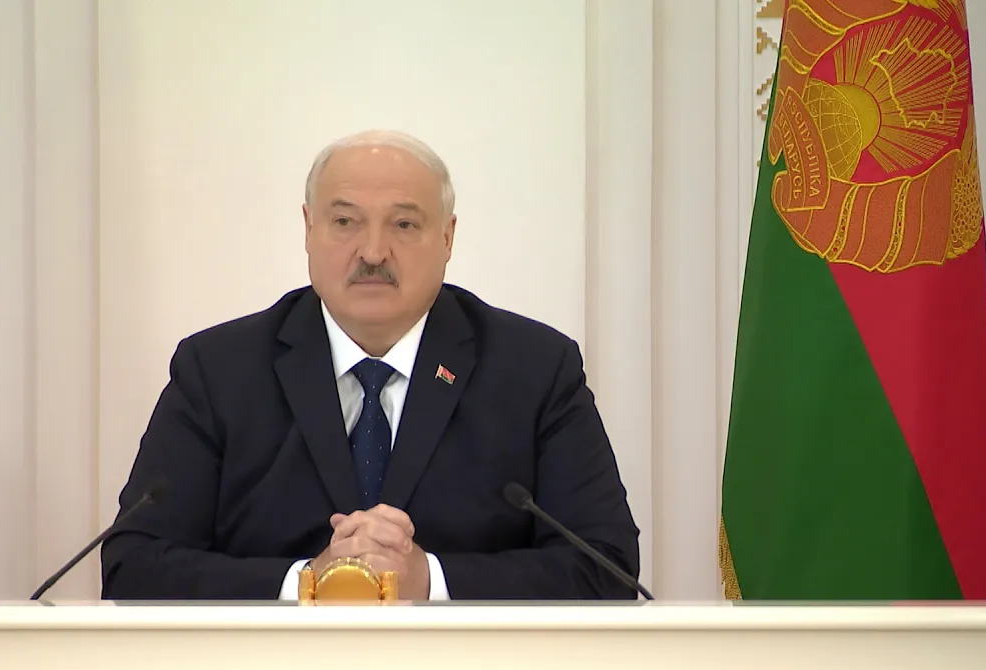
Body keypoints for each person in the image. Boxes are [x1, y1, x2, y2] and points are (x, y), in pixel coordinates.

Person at [100, 130, 640, 601]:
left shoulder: (533, 370)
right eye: (345, 221)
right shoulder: (219, 371)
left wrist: (428, 580)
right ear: (308, 228)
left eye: (404, 224)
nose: (374, 252)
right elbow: (133, 567)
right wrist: (308, 583)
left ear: (447, 237)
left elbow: (607, 568)